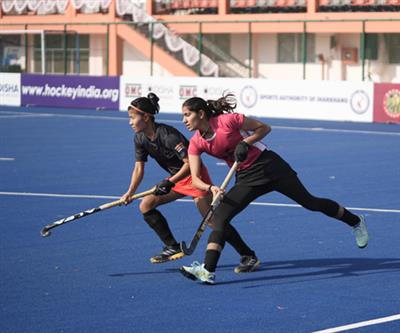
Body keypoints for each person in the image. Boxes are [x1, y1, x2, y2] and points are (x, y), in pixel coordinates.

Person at [179, 93, 368, 284]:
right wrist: (211, 187)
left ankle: (355, 222)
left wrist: (246, 142)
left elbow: (264, 128)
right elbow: (195, 179)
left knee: (311, 203)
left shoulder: (228, 121)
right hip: (247, 178)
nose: (184, 120)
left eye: (187, 115)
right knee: (219, 218)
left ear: (201, 114)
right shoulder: (196, 142)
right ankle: (208, 270)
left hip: (271, 167)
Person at [121, 93, 258, 271]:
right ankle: (173, 246)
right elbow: (139, 167)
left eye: (132, 118)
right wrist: (130, 192)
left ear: (146, 117)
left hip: (194, 177)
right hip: (175, 180)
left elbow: (189, 164)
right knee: (146, 205)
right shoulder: (139, 138)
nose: (130, 122)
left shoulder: (168, 135)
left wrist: (169, 181)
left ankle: (248, 255)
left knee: (212, 222)